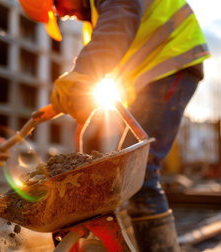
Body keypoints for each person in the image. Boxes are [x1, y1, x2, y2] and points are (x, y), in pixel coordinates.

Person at [18, 0, 210, 251]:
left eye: (56, 5)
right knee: (126, 174)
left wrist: (81, 73)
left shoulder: (110, 12)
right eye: (57, 15)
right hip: (149, 77)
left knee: (138, 174)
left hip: (169, 62)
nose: (63, 14)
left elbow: (119, 21)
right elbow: (105, 66)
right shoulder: (95, 20)